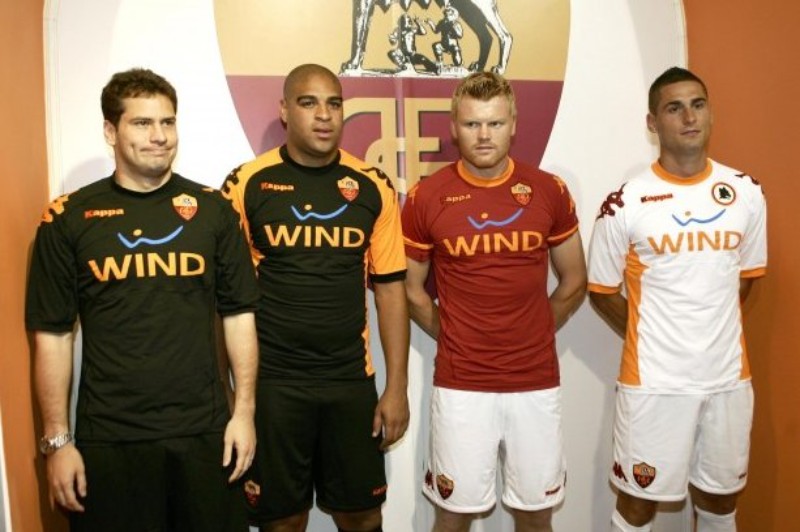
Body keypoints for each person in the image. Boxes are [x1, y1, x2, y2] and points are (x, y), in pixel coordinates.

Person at [25, 68, 259, 531]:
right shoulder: (68, 218)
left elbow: (239, 318)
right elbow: (52, 337)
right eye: (142, 123)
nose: (159, 136)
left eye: (167, 122)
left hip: (205, 435)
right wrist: (57, 442)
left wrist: (245, 413)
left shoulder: (214, 211)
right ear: (110, 131)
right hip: (110, 441)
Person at [221, 63, 410, 532]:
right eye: (308, 103)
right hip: (274, 385)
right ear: (285, 111)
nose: (324, 115)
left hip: (349, 381)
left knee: (362, 517)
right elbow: (223, 301)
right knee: (282, 521)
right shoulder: (246, 183)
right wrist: (228, 391)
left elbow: (391, 291)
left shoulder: (373, 185)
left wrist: (397, 387)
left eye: (334, 103)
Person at [402, 71, 587, 531]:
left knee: (535, 515)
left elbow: (574, 280)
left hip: (535, 382)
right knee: (453, 516)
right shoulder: (427, 196)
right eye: (472, 124)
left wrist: (538, 327)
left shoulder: (548, 190)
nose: (483, 135)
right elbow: (410, 290)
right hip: (462, 385)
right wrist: (452, 334)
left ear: (514, 124)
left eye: (495, 123)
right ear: (454, 127)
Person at [587, 67, 767, 532]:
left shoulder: (746, 193)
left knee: (719, 502)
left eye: (698, 105)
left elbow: (745, 280)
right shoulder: (625, 203)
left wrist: (707, 332)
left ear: (710, 113)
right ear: (653, 123)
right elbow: (601, 292)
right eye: (674, 108)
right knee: (638, 505)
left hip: (728, 380)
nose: (689, 117)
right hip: (655, 385)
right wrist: (655, 336)